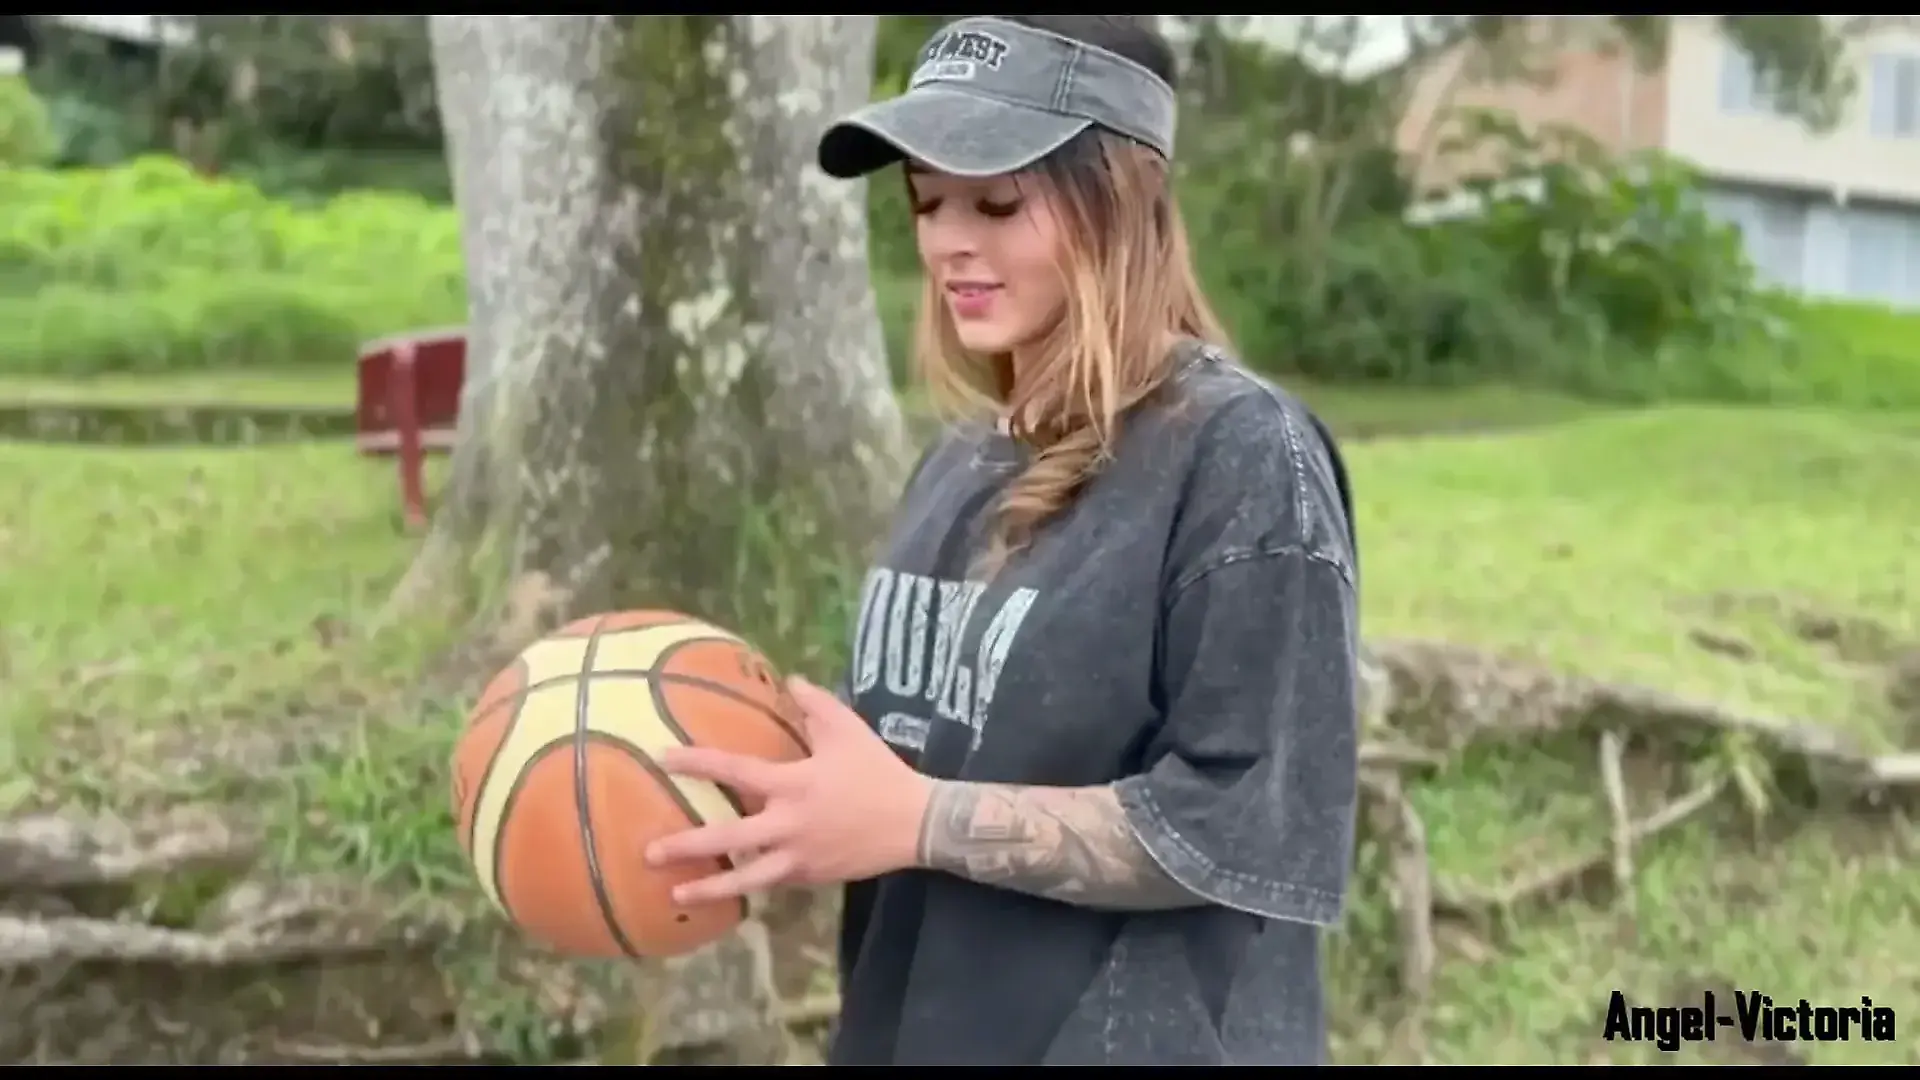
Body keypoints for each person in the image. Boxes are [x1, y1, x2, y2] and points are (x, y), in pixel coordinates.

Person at [645, 15, 1360, 1066]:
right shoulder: (957, 463)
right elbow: (931, 751)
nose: (948, 242)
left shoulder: (1243, 455)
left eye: (997, 203)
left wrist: (920, 820)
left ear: (1123, 199)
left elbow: (1244, 824)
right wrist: (760, 786)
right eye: (927, 202)